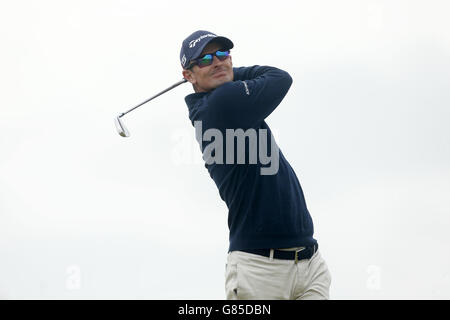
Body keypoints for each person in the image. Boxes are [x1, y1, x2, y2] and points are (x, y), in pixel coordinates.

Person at [180, 30, 332, 300]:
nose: (217, 62)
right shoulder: (219, 105)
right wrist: (229, 71)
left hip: (309, 262)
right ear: (189, 75)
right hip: (259, 269)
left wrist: (220, 70)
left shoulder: (224, 98)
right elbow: (280, 77)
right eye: (204, 60)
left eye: (222, 54)